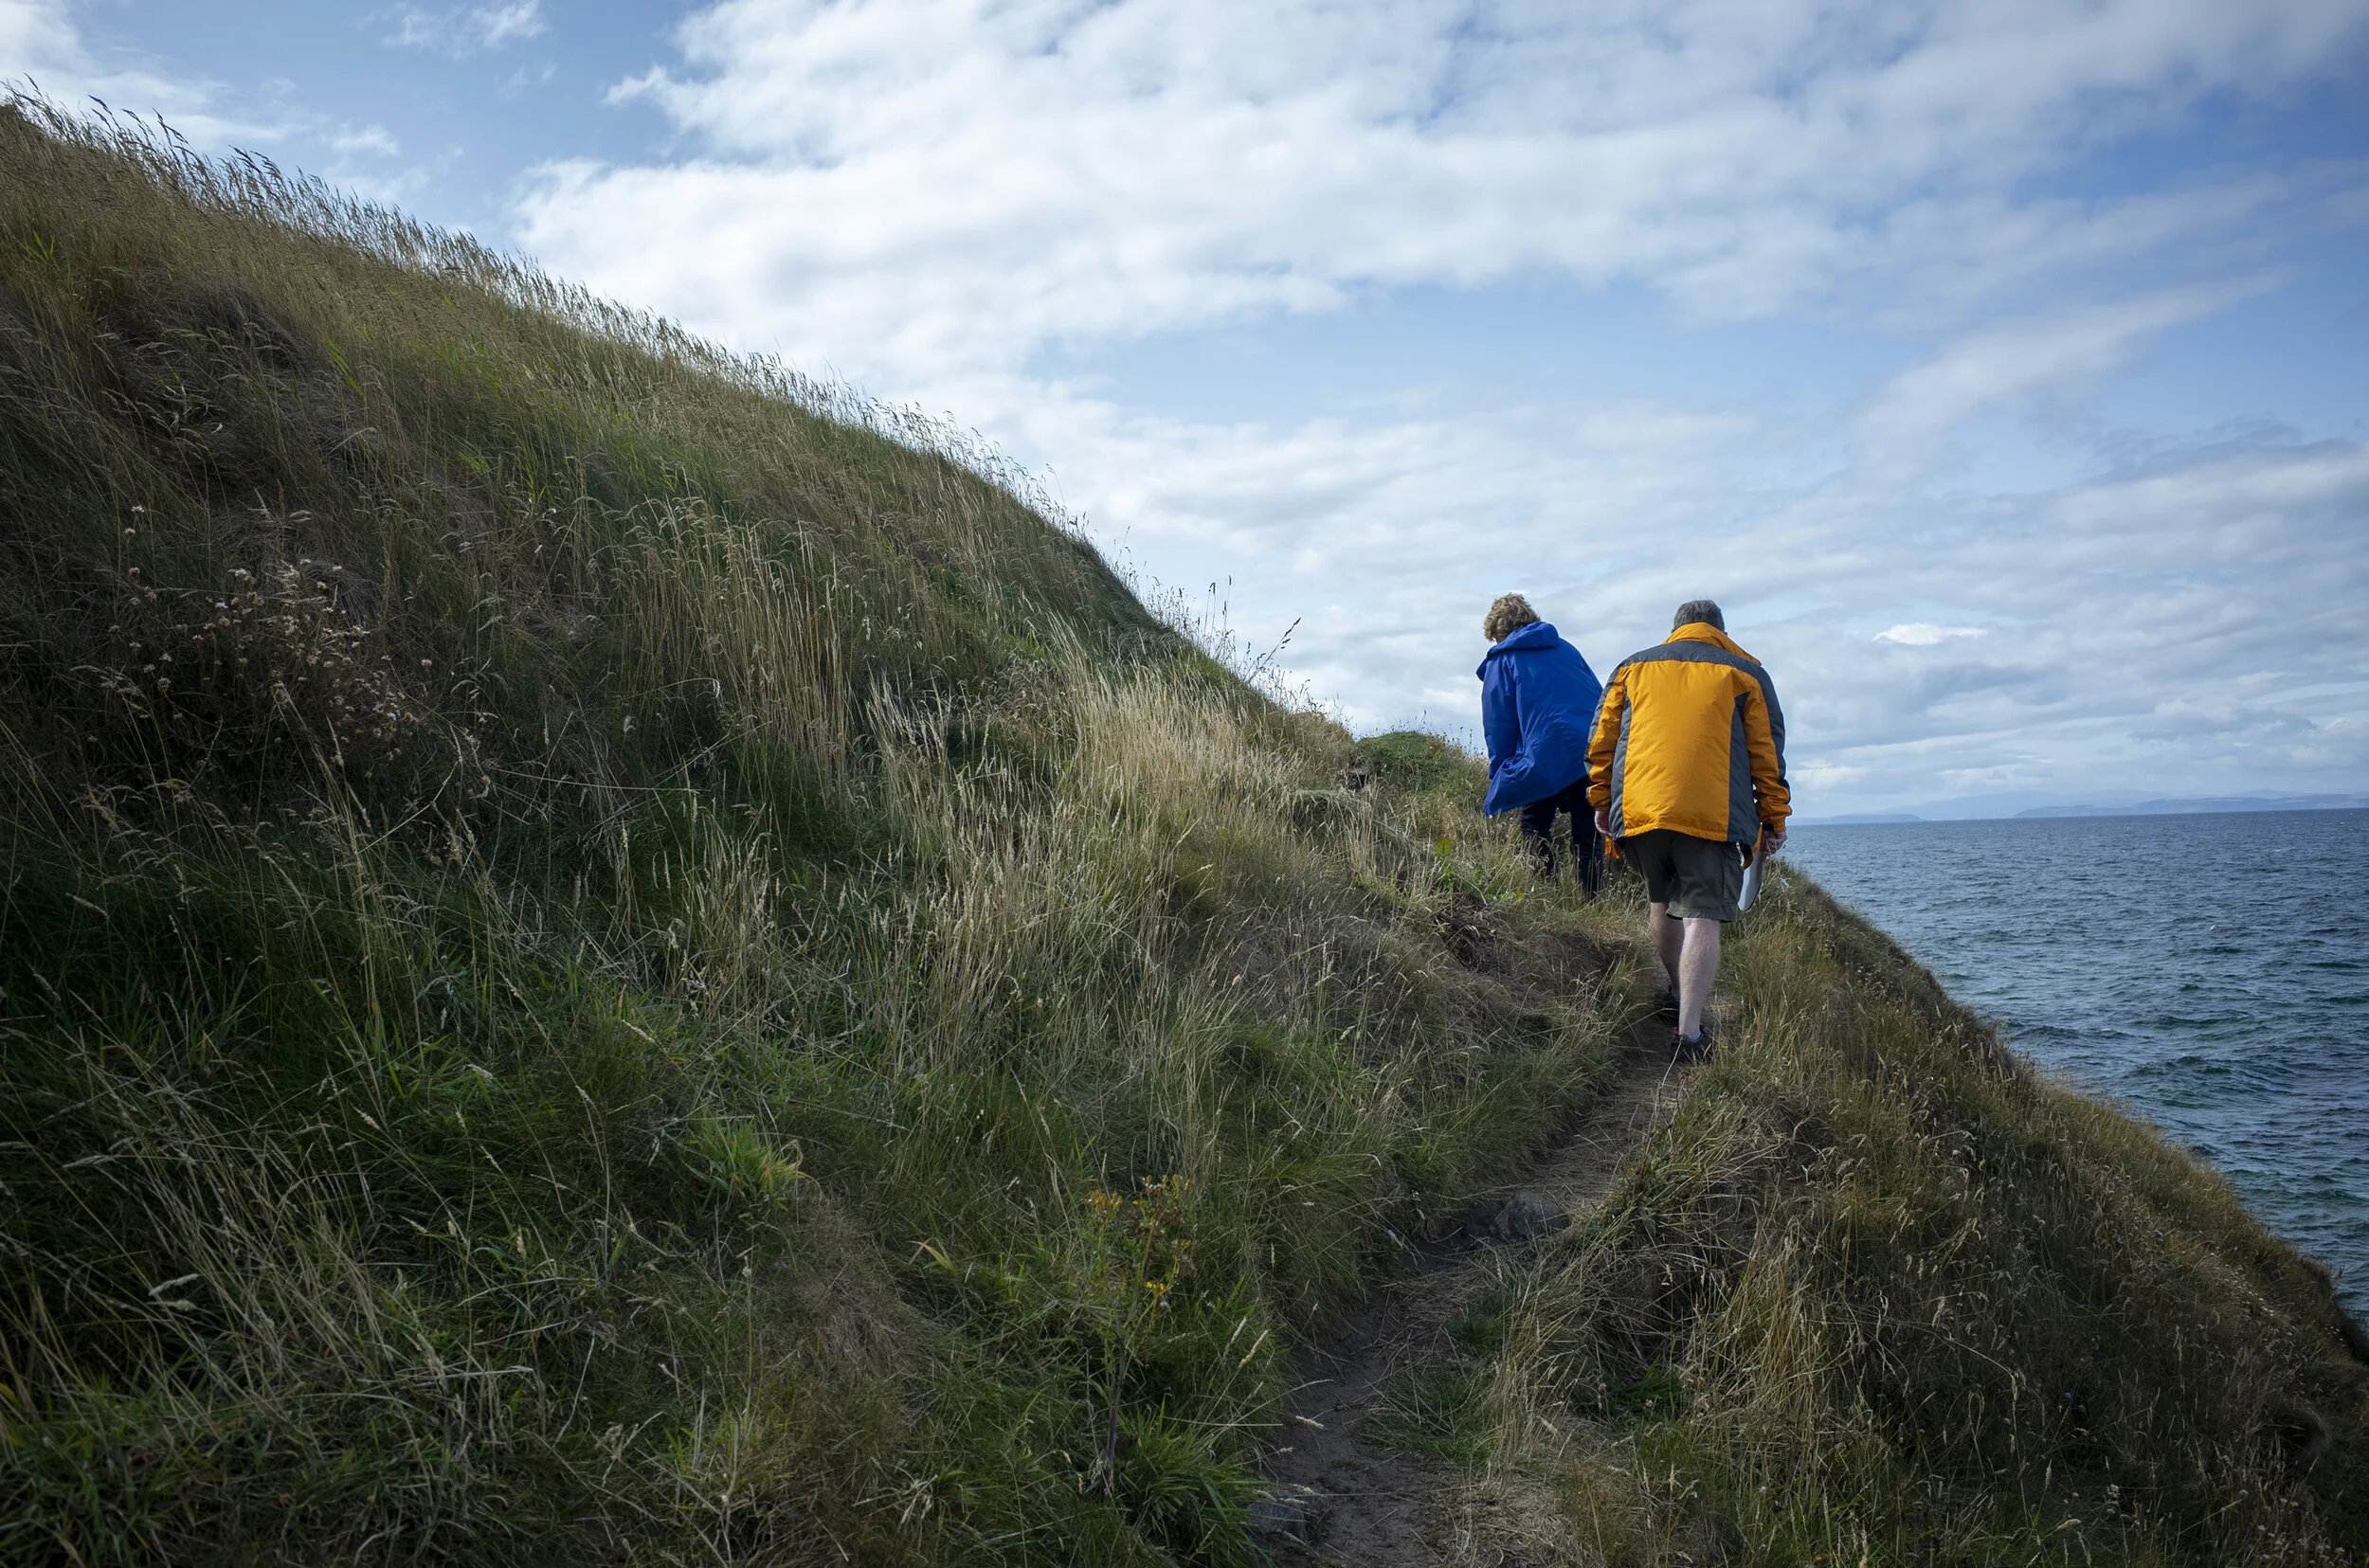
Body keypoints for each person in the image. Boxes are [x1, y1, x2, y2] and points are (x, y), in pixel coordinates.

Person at [1587, 599, 1789, 1056]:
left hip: (1640, 811)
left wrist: (1602, 802)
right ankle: (1691, 1034)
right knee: (1702, 913)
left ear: (1675, 630)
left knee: (1662, 899)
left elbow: (1602, 740)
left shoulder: (1631, 668)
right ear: (1719, 629)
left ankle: (1678, 995)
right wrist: (1773, 817)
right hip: (1712, 815)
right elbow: (1767, 754)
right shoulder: (1745, 673)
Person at [1476, 594, 1604, 891]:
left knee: (1534, 825)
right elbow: (1599, 698)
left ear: (1499, 632)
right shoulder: (1566, 649)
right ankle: (1592, 902)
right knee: (1588, 835)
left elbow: (1498, 725)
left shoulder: (1503, 660)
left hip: (1545, 754)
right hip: (1591, 750)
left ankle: (1549, 895)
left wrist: (1499, 773)